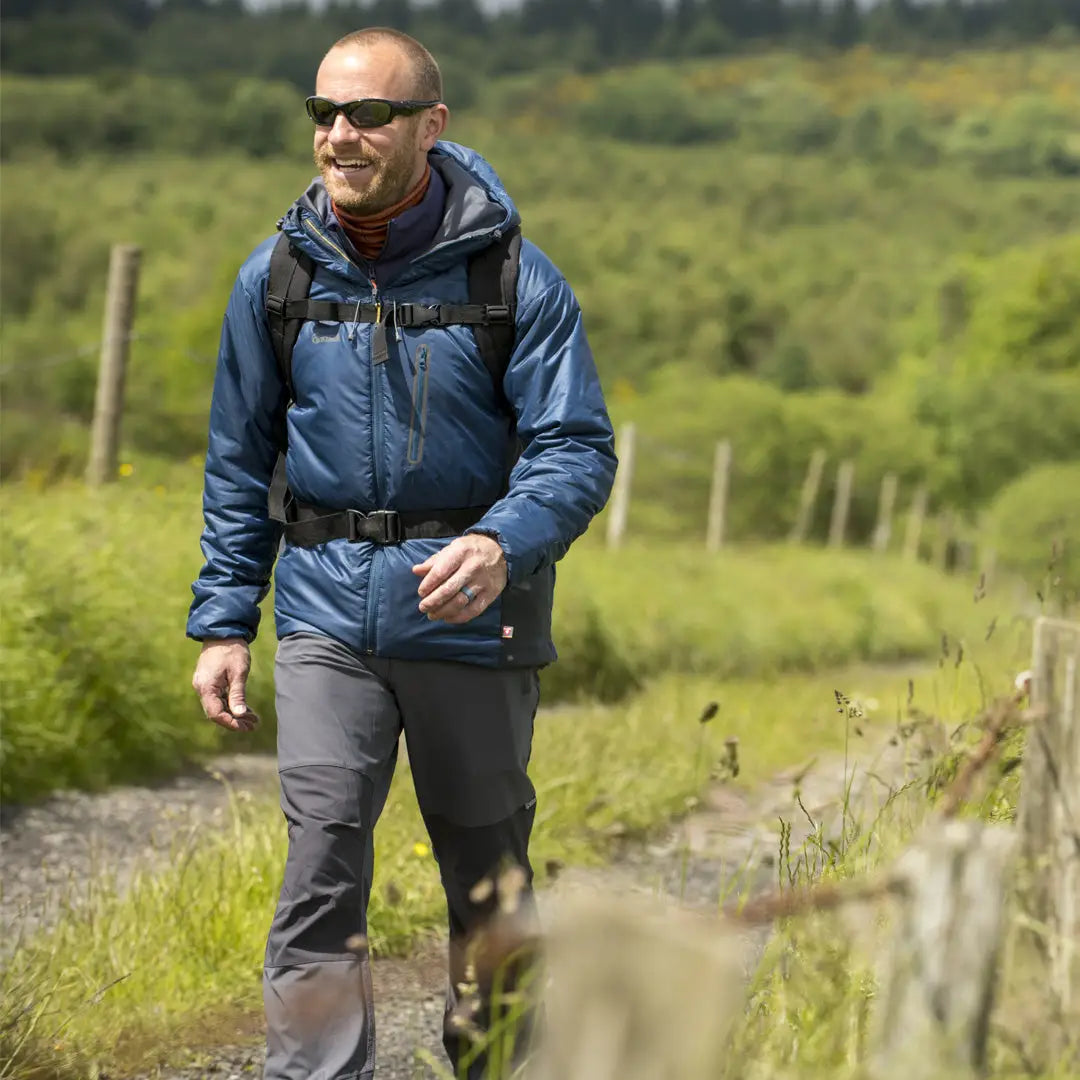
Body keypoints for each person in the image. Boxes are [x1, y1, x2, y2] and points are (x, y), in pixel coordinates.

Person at [187, 26, 616, 1080]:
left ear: (432, 125)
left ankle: (496, 1062)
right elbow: (240, 459)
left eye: (369, 114)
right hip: (327, 614)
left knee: (487, 878)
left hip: (473, 618)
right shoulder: (276, 276)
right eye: (325, 114)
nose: (340, 135)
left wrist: (501, 544)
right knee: (322, 862)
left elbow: (574, 448)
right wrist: (222, 621)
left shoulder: (515, 276)